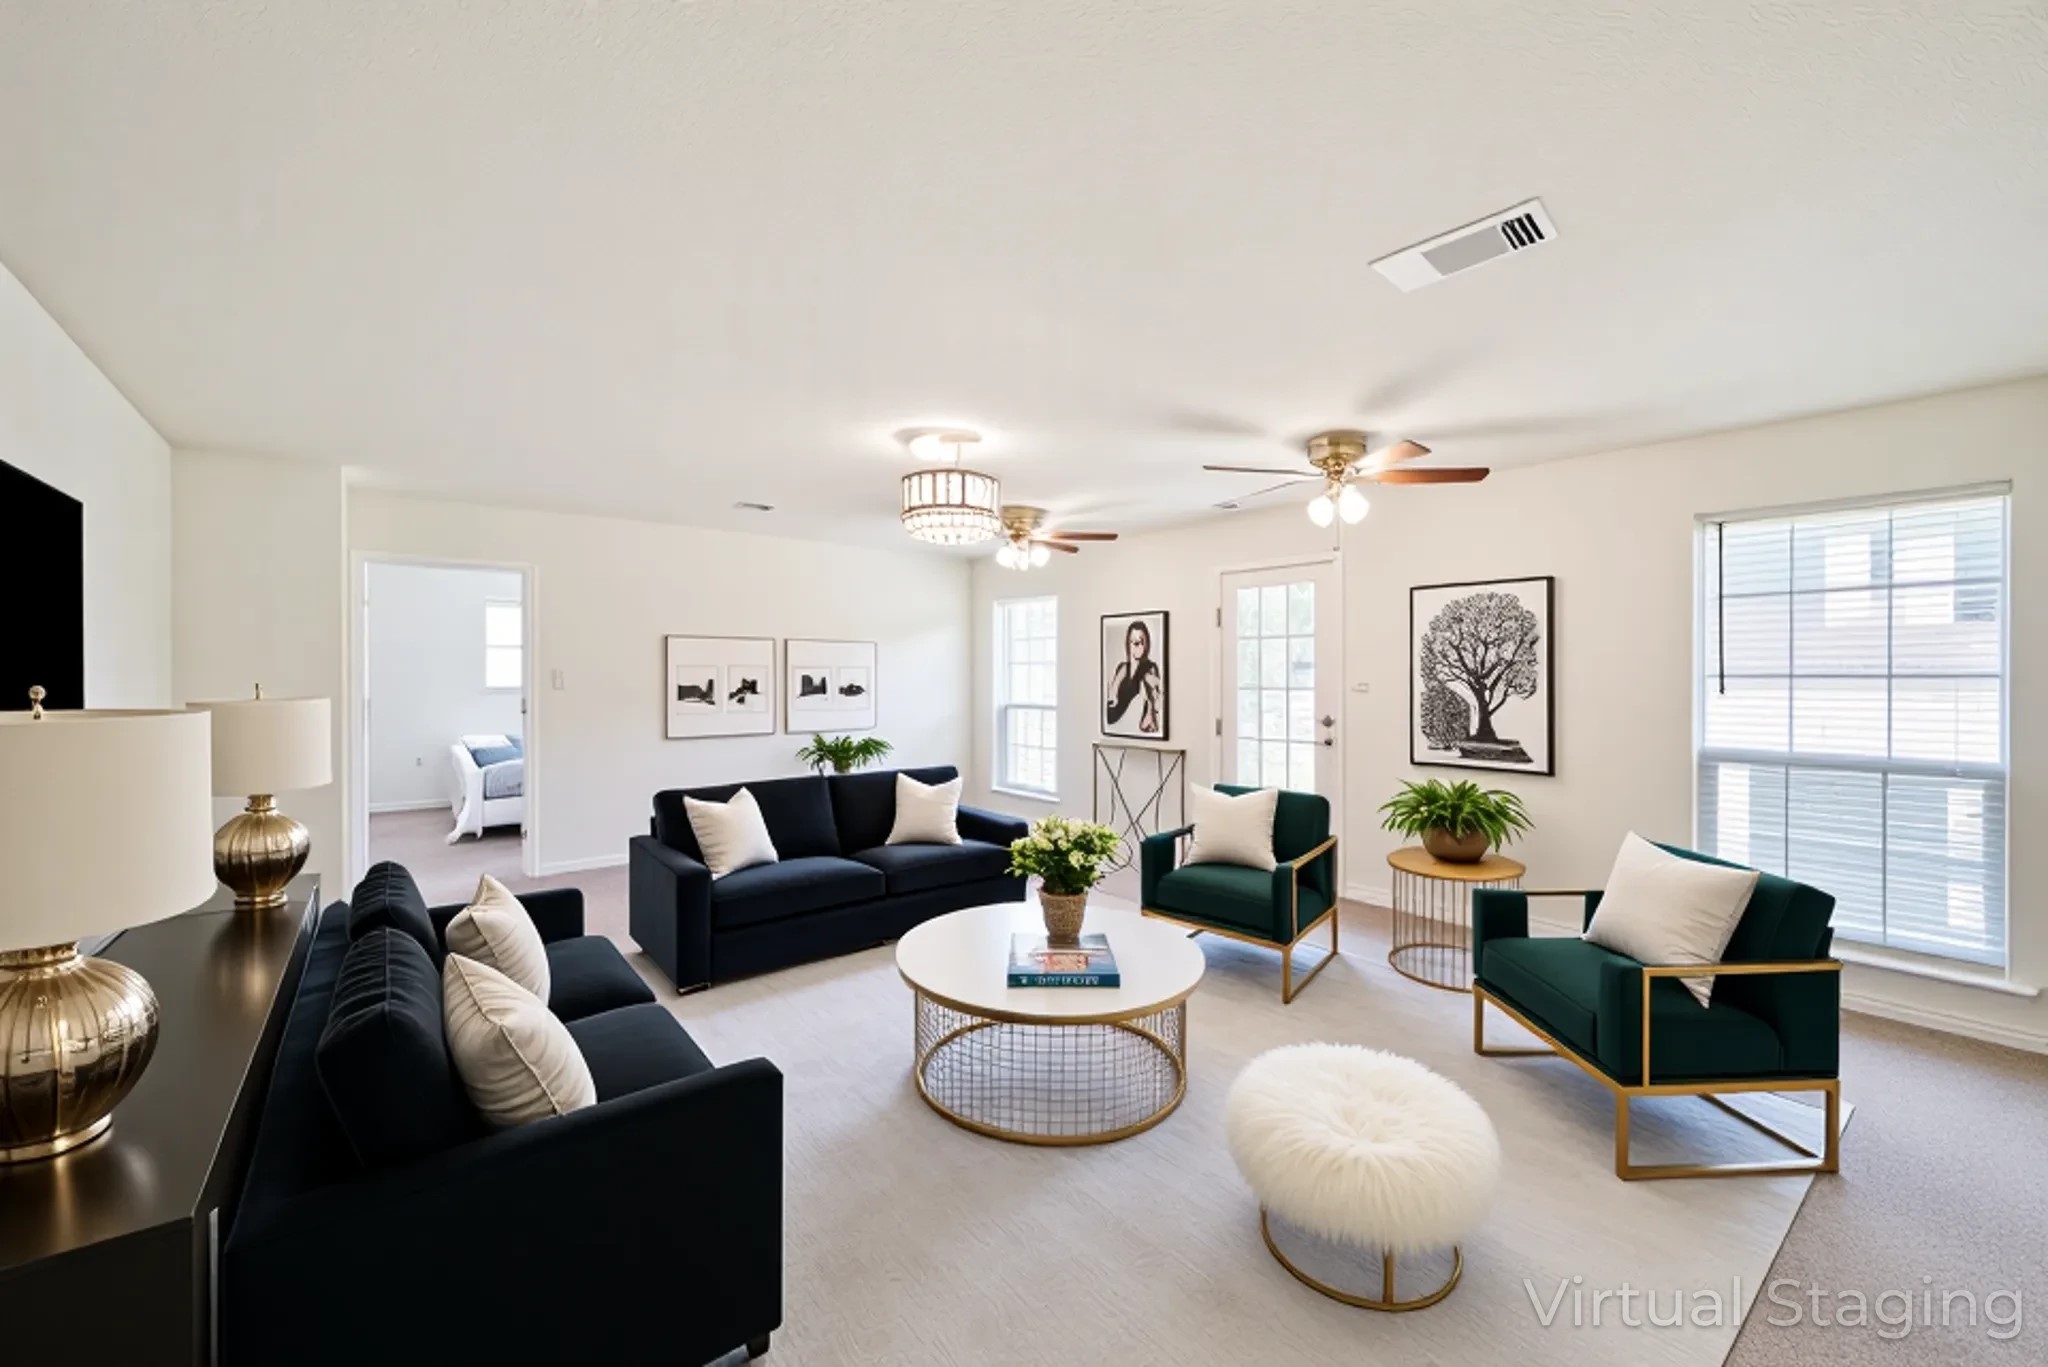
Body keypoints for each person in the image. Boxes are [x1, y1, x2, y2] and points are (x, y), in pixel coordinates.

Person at [1105, 620, 1161, 734]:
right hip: (1113, 722)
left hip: (1131, 725)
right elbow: (1112, 695)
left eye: (1142, 641)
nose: (1139, 646)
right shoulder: (1122, 667)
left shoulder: (1150, 668)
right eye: (1135, 643)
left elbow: (1157, 696)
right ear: (1128, 644)